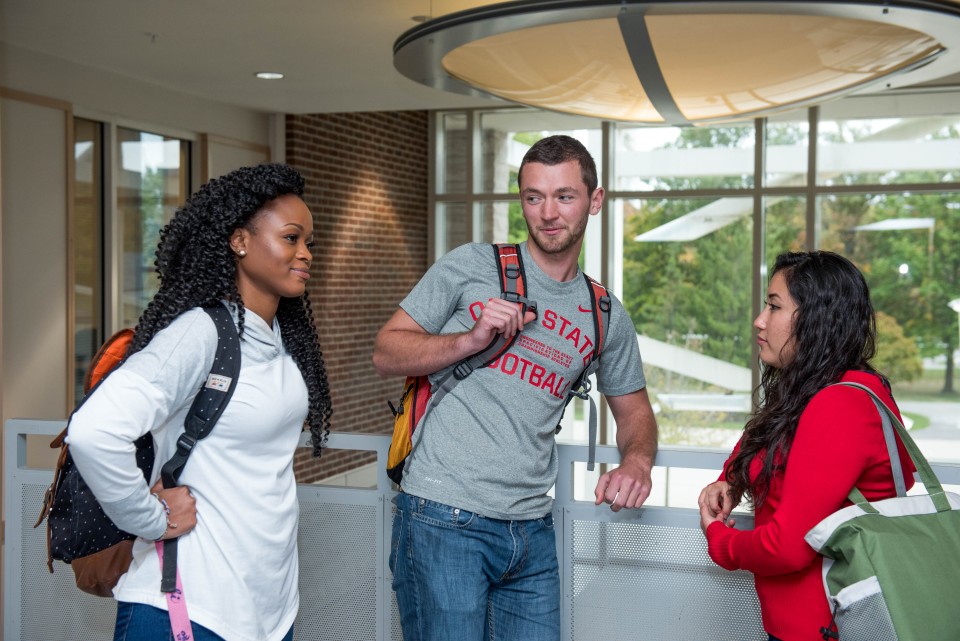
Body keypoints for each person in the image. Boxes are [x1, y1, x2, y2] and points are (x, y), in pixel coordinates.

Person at [373, 134, 658, 641]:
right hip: (442, 515)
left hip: (531, 529)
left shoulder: (604, 313)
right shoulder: (472, 266)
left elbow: (634, 411)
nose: (547, 213)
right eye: (533, 197)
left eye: (564, 196)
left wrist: (636, 461)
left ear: (595, 201)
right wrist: (469, 339)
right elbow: (387, 351)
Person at [68, 163, 333, 641]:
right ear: (239, 242)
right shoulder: (200, 332)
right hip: (188, 605)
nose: (305, 254)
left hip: (268, 609)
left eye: (310, 242)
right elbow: (93, 431)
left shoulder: (282, 338)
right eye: (291, 238)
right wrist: (148, 518)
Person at [698, 251, 916, 641]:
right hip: (805, 624)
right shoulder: (817, 389)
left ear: (816, 318)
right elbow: (765, 441)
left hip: (827, 627)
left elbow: (787, 548)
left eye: (774, 306)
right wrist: (729, 480)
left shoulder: (840, 405)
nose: (759, 320)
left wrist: (720, 540)